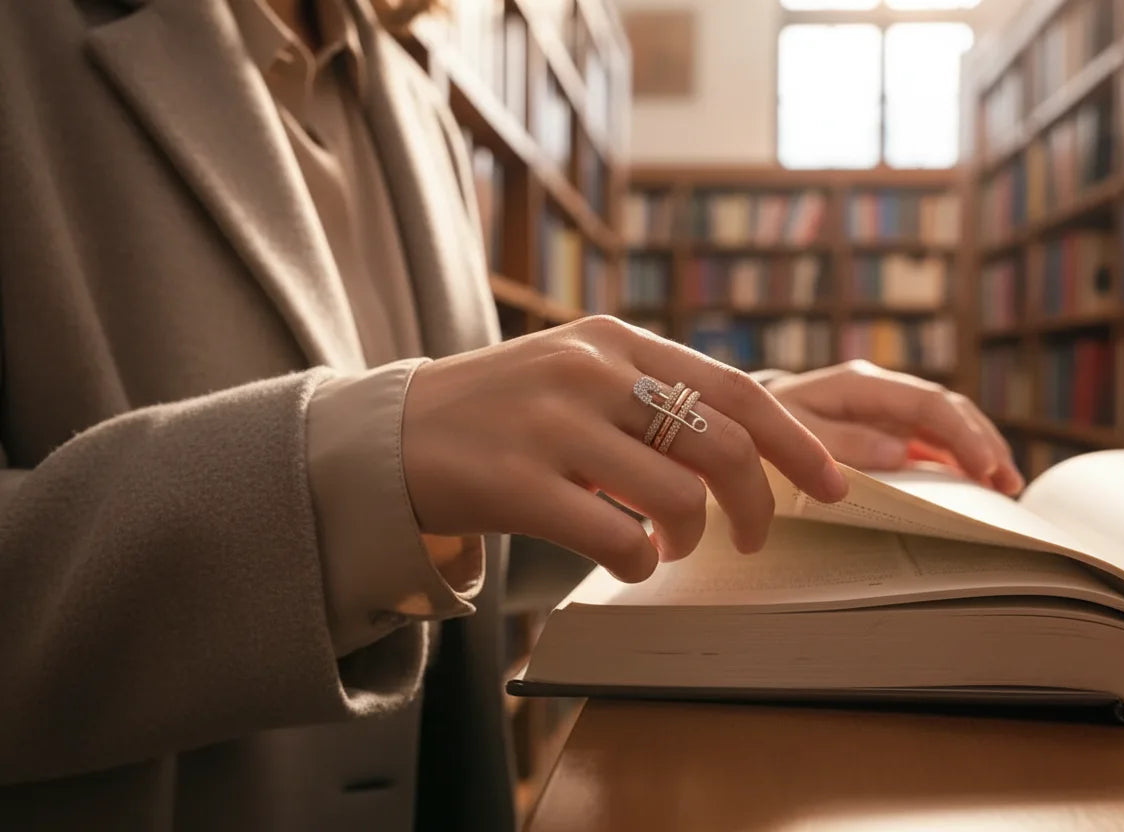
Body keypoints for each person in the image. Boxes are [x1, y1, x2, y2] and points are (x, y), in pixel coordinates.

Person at [0, 0, 1024, 829]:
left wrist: (691, 442)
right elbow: (399, 474)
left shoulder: (414, 102)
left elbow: (468, 528)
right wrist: (366, 464)